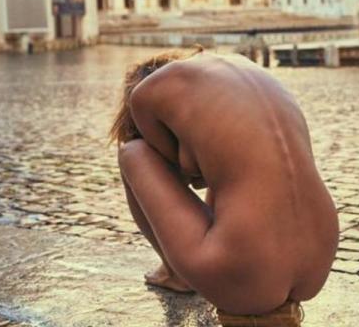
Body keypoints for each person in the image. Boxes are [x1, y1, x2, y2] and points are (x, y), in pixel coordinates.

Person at [111, 48, 339, 316]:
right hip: (319, 262)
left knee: (132, 152)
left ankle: (176, 274)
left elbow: (176, 169)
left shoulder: (143, 97)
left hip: (247, 277)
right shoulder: (239, 70)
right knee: (234, 179)